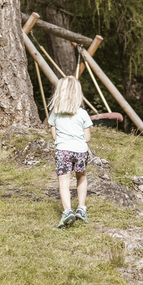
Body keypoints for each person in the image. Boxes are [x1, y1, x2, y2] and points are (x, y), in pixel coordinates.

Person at [47, 75, 92, 229]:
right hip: (80, 151)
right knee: (82, 177)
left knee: (64, 182)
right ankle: (81, 208)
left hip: (63, 150)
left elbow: (54, 136)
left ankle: (67, 211)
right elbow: (87, 138)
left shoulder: (55, 113)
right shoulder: (83, 114)